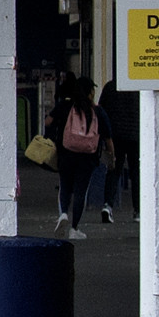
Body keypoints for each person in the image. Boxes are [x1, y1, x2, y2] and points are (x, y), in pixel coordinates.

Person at [49, 77, 108, 232]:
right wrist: (112, 156)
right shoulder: (97, 111)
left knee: (65, 186)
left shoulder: (66, 106)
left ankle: (63, 214)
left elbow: (48, 121)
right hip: (88, 157)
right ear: (90, 92)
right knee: (81, 191)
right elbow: (108, 135)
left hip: (66, 154)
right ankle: (75, 229)